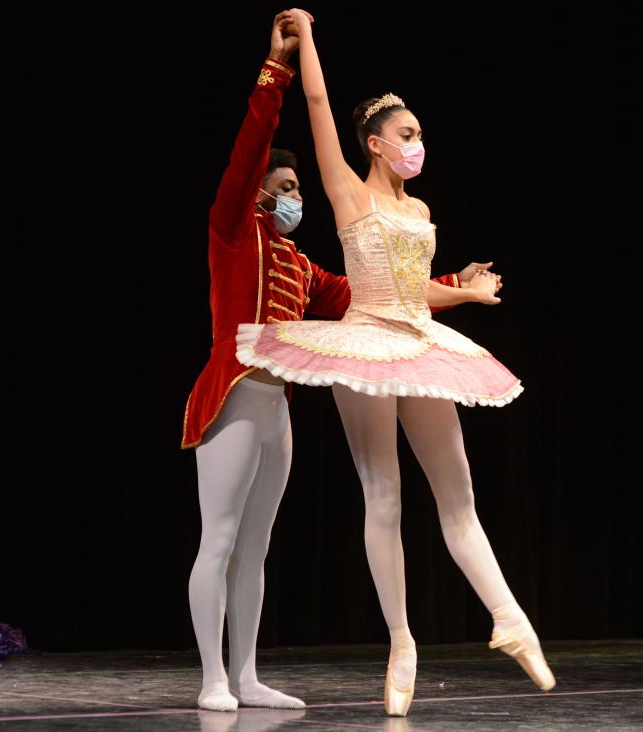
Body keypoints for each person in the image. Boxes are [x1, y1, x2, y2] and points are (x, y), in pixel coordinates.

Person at [235, 9, 554, 717]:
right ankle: (402, 641)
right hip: (366, 340)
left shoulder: (423, 209)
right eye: (407, 136)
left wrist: (463, 291)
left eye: (420, 136)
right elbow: (317, 104)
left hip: (417, 341)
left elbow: (414, 289)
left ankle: (509, 619)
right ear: (376, 145)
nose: (418, 145)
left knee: (458, 495)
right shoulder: (349, 193)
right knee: (384, 494)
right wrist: (306, 41)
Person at [184, 10, 486, 712]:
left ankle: (247, 673)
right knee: (220, 538)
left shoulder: (297, 262)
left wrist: (459, 291)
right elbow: (253, 142)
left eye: (297, 190)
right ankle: (211, 679)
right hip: (231, 395)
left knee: (256, 545)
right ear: (259, 191)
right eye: (284, 189)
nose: (295, 199)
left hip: (276, 408)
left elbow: (379, 294)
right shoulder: (234, 232)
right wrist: (277, 68)